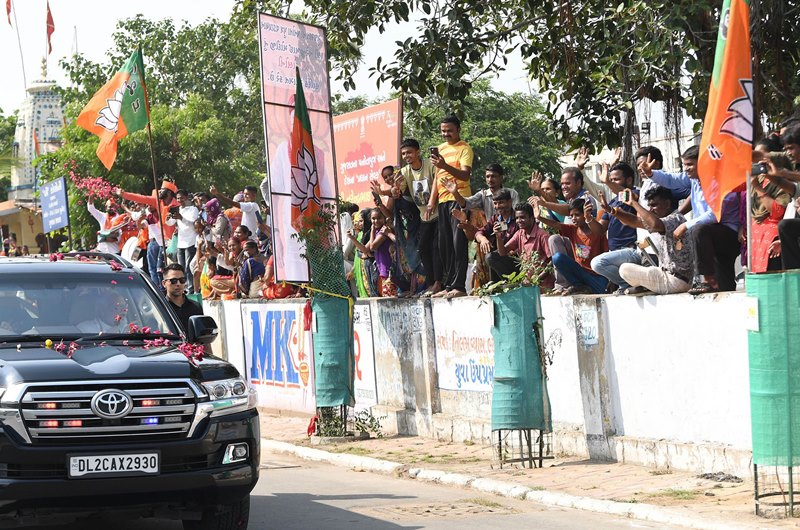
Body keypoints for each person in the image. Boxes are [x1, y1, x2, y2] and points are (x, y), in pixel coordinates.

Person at [641, 145, 741, 293]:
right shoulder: (694, 180)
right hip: (710, 235)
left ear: (703, 164)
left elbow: (714, 214)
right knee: (724, 283)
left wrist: (686, 225)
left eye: (690, 164)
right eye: (684, 165)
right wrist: (651, 173)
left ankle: (706, 279)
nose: (686, 169)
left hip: (728, 233)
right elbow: (671, 179)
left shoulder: (720, 181)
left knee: (698, 230)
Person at [615, 186, 695, 295]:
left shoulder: (675, 219)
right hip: (666, 275)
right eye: (649, 206)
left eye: (654, 205)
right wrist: (613, 212)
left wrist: (634, 203)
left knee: (625, 269)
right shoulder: (664, 220)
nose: (651, 209)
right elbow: (635, 221)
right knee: (629, 269)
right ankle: (646, 287)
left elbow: (654, 224)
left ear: (667, 204)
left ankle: (645, 287)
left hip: (676, 281)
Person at [430, 115, 474, 298]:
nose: (446, 134)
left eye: (449, 130)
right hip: (442, 201)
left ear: (458, 130)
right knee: (445, 245)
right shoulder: (440, 149)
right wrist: (432, 200)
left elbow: (465, 176)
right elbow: (437, 178)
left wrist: (445, 165)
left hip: (459, 199)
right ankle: (449, 285)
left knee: (458, 244)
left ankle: (459, 286)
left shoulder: (465, 148)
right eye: (443, 131)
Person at [589, 162, 642, 293]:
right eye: (610, 180)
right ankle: (627, 284)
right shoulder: (612, 202)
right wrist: (588, 218)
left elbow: (627, 196)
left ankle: (629, 284)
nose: (612, 183)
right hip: (616, 253)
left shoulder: (636, 194)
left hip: (632, 250)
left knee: (598, 263)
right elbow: (600, 230)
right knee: (597, 264)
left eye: (616, 180)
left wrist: (606, 182)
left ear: (629, 180)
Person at [537, 198, 608, 295]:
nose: (573, 218)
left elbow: (606, 255)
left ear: (585, 214)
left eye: (577, 215)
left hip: (596, 278)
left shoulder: (597, 232)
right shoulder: (573, 230)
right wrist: (539, 218)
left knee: (601, 288)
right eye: (571, 216)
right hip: (580, 275)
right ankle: (579, 286)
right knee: (557, 258)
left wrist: (610, 281)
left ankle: (584, 288)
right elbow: (556, 224)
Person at [118, 180, 179, 287]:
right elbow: (140, 200)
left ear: (169, 193)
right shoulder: (149, 213)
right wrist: (124, 194)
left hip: (168, 243)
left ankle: (162, 288)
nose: (148, 205)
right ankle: (157, 288)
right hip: (143, 244)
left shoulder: (175, 205)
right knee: (142, 265)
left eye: (162, 190)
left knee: (162, 268)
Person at [493, 203, 555, 288]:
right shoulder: (519, 234)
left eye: (522, 217)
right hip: (527, 283)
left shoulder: (542, 236)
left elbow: (553, 261)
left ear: (532, 218)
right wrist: (498, 237)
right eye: (517, 218)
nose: (519, 221)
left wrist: (536, 279)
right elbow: (502, 252)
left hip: (543, 285)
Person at [749, 152, 792, 272]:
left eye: (763, 162)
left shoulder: (785, 183)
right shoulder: (759, 178)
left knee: (772, 272)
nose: (759, 165)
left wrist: (757, 187)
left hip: (774, 233)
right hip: (757, 234)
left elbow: (777, 211)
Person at [347, 208, 396, 297]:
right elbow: (365, 250)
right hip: (382, 271)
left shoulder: (384, 230)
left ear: (384, 218)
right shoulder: (377, 232)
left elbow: (373, 247)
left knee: (390, 299)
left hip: (389, 270)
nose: (376, 221)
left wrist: (372, 231)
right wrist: (352, 238)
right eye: (373, 219)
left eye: (379, 218)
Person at [445, 163, 520, 220]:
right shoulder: (483, 194)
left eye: (493, 176)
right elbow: (466, 203)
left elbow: (518, 214)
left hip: (511, 231)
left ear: (501, 178)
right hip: (491, 232)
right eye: (487, 177)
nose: (490, 180)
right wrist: (455, 193)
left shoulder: (512, 193)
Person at [474, 190, 519, 281]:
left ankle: (511, 283)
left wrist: (514, 250)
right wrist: (483, 239)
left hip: (517, 259)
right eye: (495, 203)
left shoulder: (518, 218)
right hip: (501, 258)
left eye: (501, 202)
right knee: (491, 254)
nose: (498, 206)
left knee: (491, 257)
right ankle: (498, 286)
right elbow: (479, 233)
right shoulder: (495, 219)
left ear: (510, 202)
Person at [530, 167, 598, 223]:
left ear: (578, 183)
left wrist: (544, 203)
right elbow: (553, 204)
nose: (564, 187)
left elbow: (568, 209)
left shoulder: (585, 198)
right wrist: (539, 190)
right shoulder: (572, 199)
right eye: (562, 184)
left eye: (567, 183)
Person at [169, 189, 200, 293]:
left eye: (181, 198)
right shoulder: (178, 209)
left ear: (186, 197)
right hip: (180, 243)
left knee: (188, 267)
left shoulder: (192, 209)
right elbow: (169, 223)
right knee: (181, 269)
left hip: (190, 241)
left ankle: (191, 289)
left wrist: (181, 218)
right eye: (178, 198)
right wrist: (169, 217)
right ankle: (184, 289)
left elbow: (193, 222)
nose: (180, 200)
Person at [162, 263, 203, 332]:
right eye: (173, 281)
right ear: (164, 283)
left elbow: (203, 335)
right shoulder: (161, 308)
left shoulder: (196, 307)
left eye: (182, 280)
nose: (178, 284)